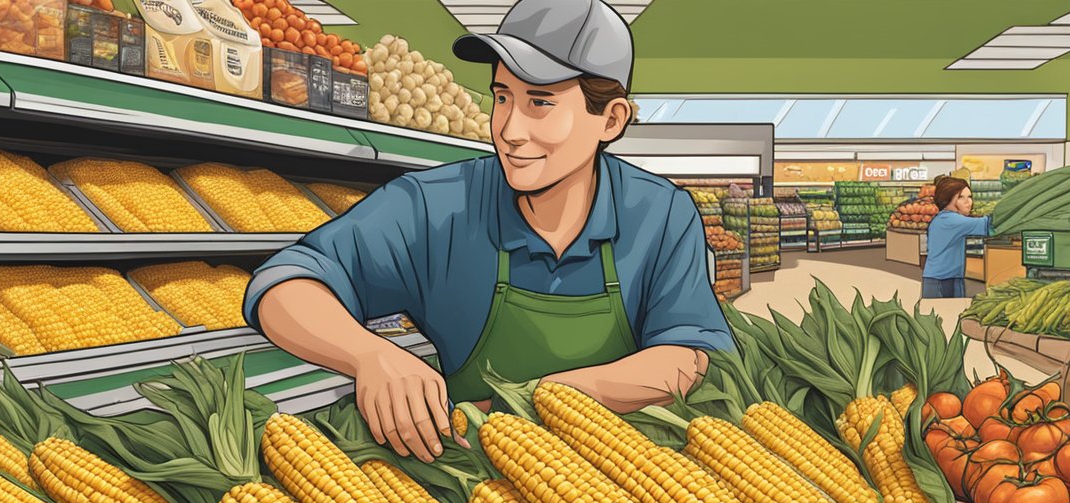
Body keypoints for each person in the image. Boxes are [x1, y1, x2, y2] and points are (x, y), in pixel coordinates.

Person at [244, 0, 736, 464]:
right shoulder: (435, 205)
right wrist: (369, 355)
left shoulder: (661, 214)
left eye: (540, 103)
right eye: (503, 98)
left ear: (611, 118)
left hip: (623, 472)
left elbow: (688, 355)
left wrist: (538, 402)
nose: (509, 129)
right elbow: (283, 284)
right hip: (479, 478)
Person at [923, 176, 991, 299]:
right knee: (946, 314)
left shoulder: (943, 218)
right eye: (961, 197)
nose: (968, 202)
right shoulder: (951, 220)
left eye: (969, 197)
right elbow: (990, 224)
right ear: (947, 199)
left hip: (946, 277)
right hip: (942, 281)